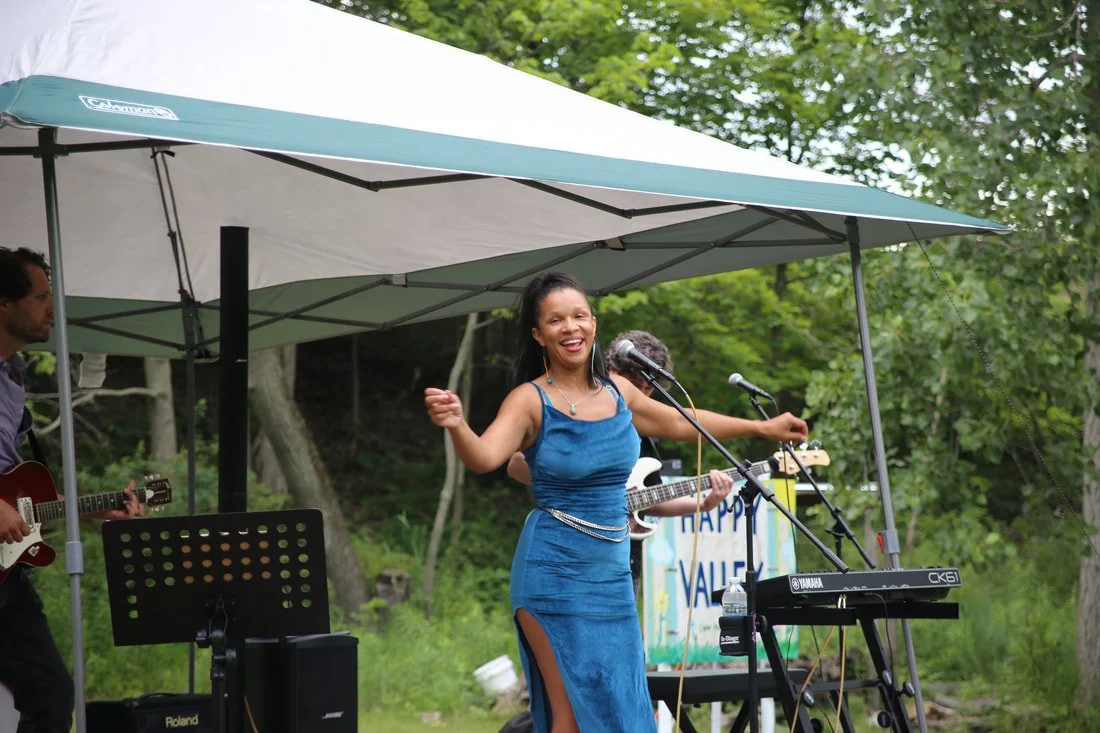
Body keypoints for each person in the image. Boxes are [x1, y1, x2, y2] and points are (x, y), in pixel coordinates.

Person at [425, 272, 807, 733]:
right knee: (569, 717)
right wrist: (457, 425)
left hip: (611, 576)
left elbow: (686, 423)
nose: (571, 327)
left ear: (594, 322)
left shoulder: (619, 393)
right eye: (556, 320)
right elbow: (487, 457)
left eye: (579, 316)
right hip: (553, 574)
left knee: (626, 710)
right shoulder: (529, 400)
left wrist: (762, 429)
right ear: (538, 334)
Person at [508, 328, 776, 599]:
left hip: (623, 559)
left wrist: (704, 503)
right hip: (569, 553)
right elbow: (515, 463)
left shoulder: (641, 429)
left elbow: (653, 496)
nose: (643, 396)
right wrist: (582, 484)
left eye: (649, 389)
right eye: (636, 386)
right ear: (612, 370)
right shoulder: (577, 407)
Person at [0, 247, 144, 733]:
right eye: (41, 297)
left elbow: (19, 494)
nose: (51, 309)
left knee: (51, 696)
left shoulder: (13, 379)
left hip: (4, 575)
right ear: (4, 303)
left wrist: (93, 510)